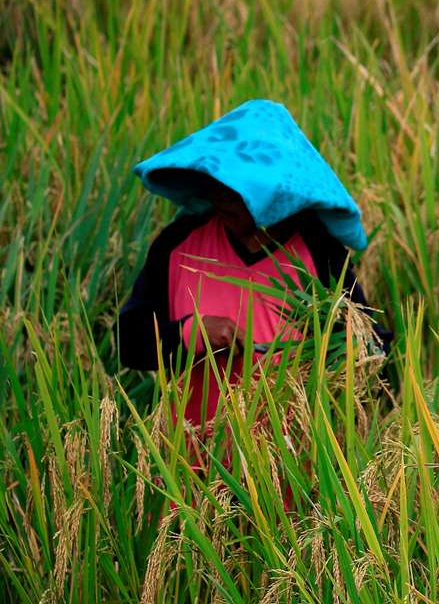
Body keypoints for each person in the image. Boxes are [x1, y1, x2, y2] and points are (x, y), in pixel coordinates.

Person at [117, 99, 386, 467]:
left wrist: (314, 361)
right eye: (217, 184)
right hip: (196, 472)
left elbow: (370, 347)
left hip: (292, 475)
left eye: (239, 189)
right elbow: (129, 341)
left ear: (275, 193)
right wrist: (191, 333)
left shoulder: (318, 252)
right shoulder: (178, 245)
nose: (223, 198)